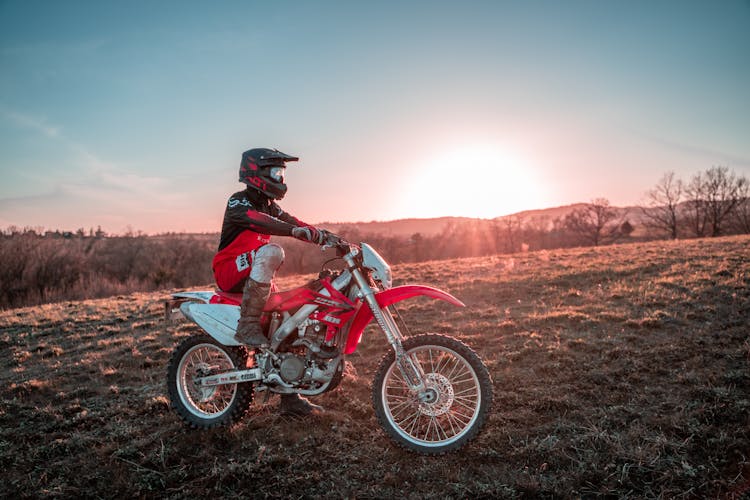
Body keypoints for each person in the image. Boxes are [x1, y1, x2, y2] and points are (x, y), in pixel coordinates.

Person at [212, 147, 332, 416]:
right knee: (272, 251)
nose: (280, 179)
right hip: (230, 271)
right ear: (256, 172)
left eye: (281, 173)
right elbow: (259, 220)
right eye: (276, 172)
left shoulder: (269, 205)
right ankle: (248, 324)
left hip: (256, 279)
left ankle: (290, 397)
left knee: (290, 320)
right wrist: (292, 230)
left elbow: (292, 220)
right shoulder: (238, 202)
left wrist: (323, 235)